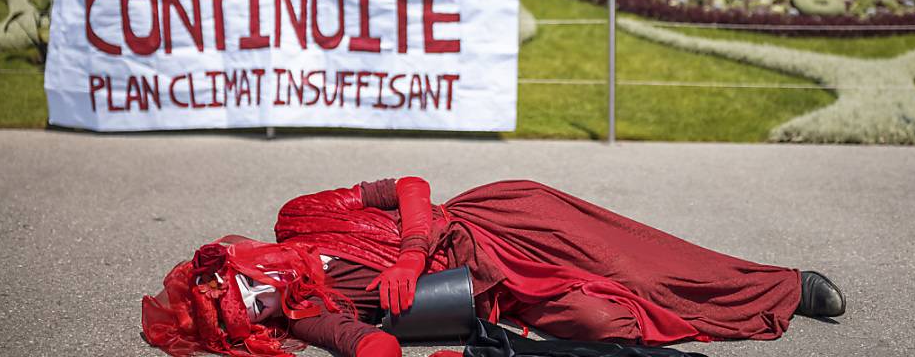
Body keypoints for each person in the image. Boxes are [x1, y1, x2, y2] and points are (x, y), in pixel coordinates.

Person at [142, 178, 845, 357]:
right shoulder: (305, 312)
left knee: (635, 259)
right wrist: (371, 340)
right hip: (487, 296)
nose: (264, 303)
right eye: (253, 317)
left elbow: (409, 188)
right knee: (608, 320)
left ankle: (783, 286)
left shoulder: (298, 215)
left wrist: (412, 253)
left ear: (240, 261)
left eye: (248, 291)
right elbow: (364, 343)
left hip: (491, 221)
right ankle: (719, 319)